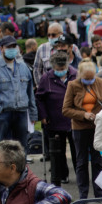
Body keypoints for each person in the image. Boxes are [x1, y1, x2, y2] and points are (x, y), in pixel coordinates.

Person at [0, 35, 36, 153]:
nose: (11, 49)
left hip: (21, 113)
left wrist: (33, 113)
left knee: (21, 149)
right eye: (8, 47)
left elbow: (29, 92)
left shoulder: (23, 67)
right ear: (1, 48)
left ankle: (21, 172)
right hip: (2, 113)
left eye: (13, 46)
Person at [62, 61, 102, 201]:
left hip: (97, 128)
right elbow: (66, 110)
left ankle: (99, 194)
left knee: (98, 162)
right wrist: (83, 115)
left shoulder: (101, 83)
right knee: (81, 162)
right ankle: (83, 195)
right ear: (79, 75)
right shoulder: (73, 85)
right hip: (80, 128)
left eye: (91, 77)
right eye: (86, 78)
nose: (89, 81)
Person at [36, 52, 78, 186]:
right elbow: (39, 98)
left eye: (63, 68)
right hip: (54, 120)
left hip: (74, 120)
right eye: (58, 69)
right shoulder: (46, 78)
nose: (61, 71)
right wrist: (43, 116)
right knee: (58, 152)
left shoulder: (75, 75)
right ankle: (61, 175)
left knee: (76, 150)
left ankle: (80, 175)